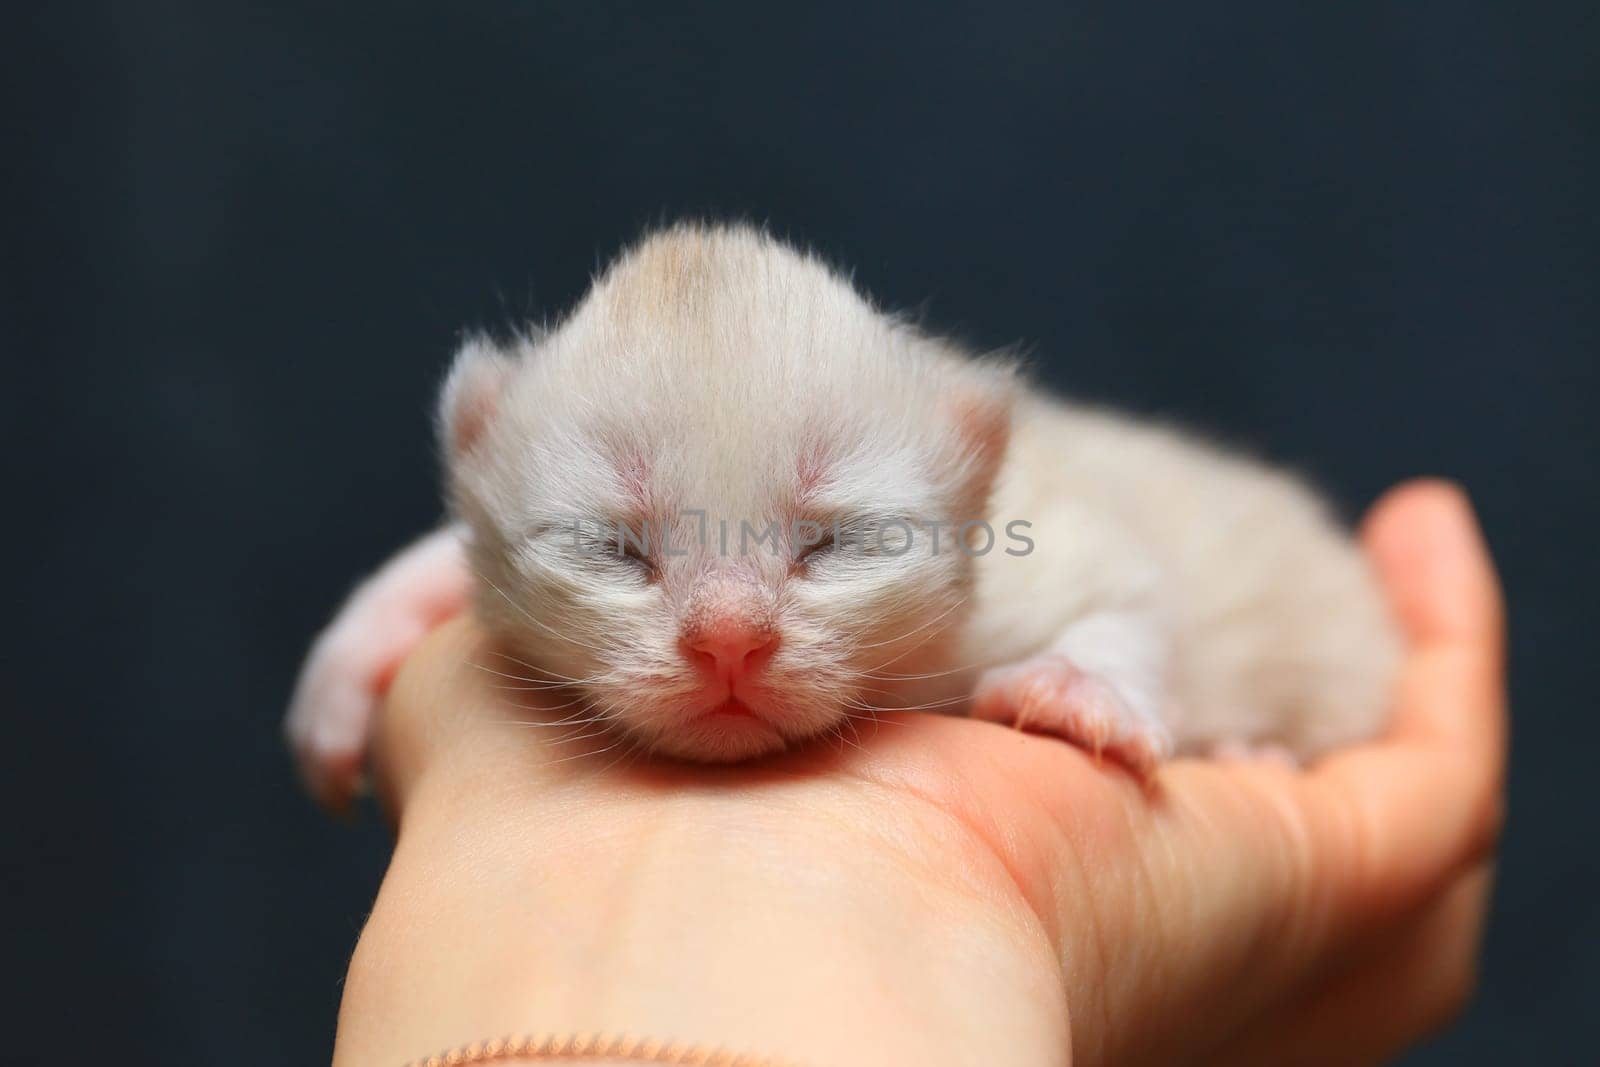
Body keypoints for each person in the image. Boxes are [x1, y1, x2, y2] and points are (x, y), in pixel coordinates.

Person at [331, 481, 1505, 1067]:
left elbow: (1107, 586)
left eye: (827, 539)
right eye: (616, 547)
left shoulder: (1006, 535)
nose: (727, 634)